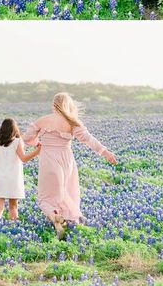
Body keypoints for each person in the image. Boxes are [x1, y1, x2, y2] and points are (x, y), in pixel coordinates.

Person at [24, 93, 117, 238]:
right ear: (68, 105)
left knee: (46, 196)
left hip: (49, 159)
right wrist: (105, 152)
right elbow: (88, 139)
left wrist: (38, 143)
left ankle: (55, 217)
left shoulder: (43, 121)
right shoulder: (72, 122)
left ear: (53, 105)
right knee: (66, 191)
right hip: (67, 160)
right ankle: (66, 221)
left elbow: (27, 138)